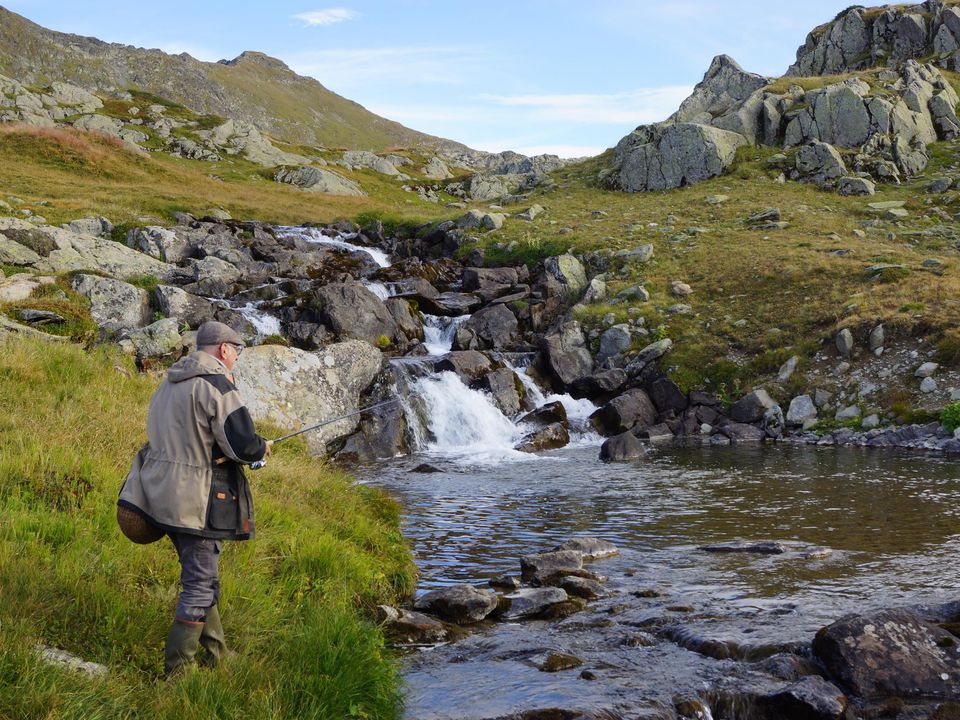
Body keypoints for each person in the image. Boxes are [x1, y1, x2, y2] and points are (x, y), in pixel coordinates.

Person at [118, 321, 271, 675]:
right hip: (196, 500)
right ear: (223, 350)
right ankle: (178, 673)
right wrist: (261, 446)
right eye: (237, 350)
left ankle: (217, 654)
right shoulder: (218, 385)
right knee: (200, 583)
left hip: (161, 496)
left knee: (202, 575)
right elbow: (242, 445)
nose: (236, 357)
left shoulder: (169, 382)